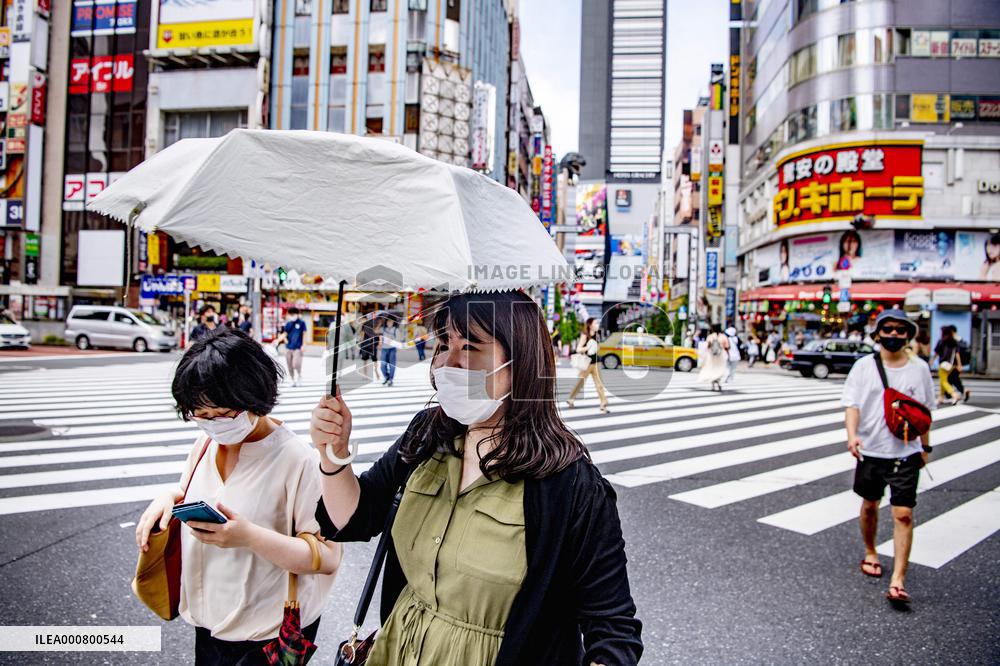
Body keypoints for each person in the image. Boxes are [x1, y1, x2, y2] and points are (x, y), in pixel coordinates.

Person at [309, 291, 643, 665]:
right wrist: (333, 453)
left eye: (469, 346)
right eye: (443, 344)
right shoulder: (427, 434)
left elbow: (613, 630)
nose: (447, 362)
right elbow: (354, 517)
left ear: (519, 362)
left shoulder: (570, 485)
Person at [135, 329, 342, 663]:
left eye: (222, 413)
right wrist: (170, 496)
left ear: (252, 397)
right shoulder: (204, 446)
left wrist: (249, 536)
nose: (213, 424)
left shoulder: (297, 459)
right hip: (207, 625)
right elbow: (202, 493)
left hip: (265, 637)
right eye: (201, 415)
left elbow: (327, 556)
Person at [841, 309, 933, 605]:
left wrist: (925, 448)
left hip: (906, 452)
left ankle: (898, 579)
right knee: (870, 505)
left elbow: (924, 414)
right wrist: (852, 435)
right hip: (870, 450)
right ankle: (871, 551)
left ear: (908, 335)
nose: (894, 334)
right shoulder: (863, 367)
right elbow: (852, 405)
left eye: (900, 330)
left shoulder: (919, 369)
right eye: (888, 329)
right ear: (878, 334)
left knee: (903, 513)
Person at [566, 317, 610, 413]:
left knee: (599, 384)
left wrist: (596, 347)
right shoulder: (585, 335)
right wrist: (588, 347)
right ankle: (571, 398)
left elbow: (596, 348)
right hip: (586, 363)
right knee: (580, 382)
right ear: (590, 325)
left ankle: (603, 403)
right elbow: (578, 349)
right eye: (595, 323)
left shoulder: (597, 335)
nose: (597, 325)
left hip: (596, 363)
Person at [276, 307, 307, 387]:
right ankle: (292, 380)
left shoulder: (302, 323)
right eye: (290, 314)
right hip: (288, 347)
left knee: (295, 364)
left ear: (297, 314)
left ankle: (299, 376)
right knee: (289, 365)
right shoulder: (288, 324)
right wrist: (277, 340)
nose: (291, 316)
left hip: (298, 347)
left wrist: (303, 345)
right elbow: (285, 334)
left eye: (293, 314)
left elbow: (304, 334)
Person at [930, 325, 961, 406]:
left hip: (943, 364)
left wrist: (932, 361)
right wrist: (959, 364)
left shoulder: (941, 341)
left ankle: (954, 394)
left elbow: (936, 353)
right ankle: (940, 397)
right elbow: (957, 354)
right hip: (951, 365)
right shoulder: (954, 342)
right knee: (943, 381)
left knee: (944, 381)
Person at [698, 324, 728, 392]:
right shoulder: (723, 337)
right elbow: (727, 347)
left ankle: (713, 384)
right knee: (719, 369)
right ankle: (719, 382)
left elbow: (708, 346)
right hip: (721, 356)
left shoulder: (710, 337)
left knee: (712, 368)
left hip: (712, 356)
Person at [947, 326, 971, 403]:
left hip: (954, 364)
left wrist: (958, 364)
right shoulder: (960, 339)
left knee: (952, 379)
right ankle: (950, 394)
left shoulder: (954, 340)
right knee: (952, 379)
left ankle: (961, 391)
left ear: (952, 331)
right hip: (958, 364)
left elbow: (956, 353)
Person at [380, 315, 401, 386]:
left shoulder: (396, 330)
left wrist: (392, 341)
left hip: (392, 349)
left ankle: (390, 379)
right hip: (384, 349)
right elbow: (376, 331)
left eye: (391, 321)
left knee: (392, 365)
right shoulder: (383, 329)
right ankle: (386, 377)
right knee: (382, 365)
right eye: (388, 321)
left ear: (393, 322)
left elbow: (398, 340)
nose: (389, 323)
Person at [358, 315, 381, 381]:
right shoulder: (367, 325)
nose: (362, 321)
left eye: (363, 319)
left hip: (369, 344)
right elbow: (377, 333)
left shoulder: (368, 325)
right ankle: (372, 373)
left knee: (369, 360)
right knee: (371, 360)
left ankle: (371, 373)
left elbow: (362, 337)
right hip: (369, 344)